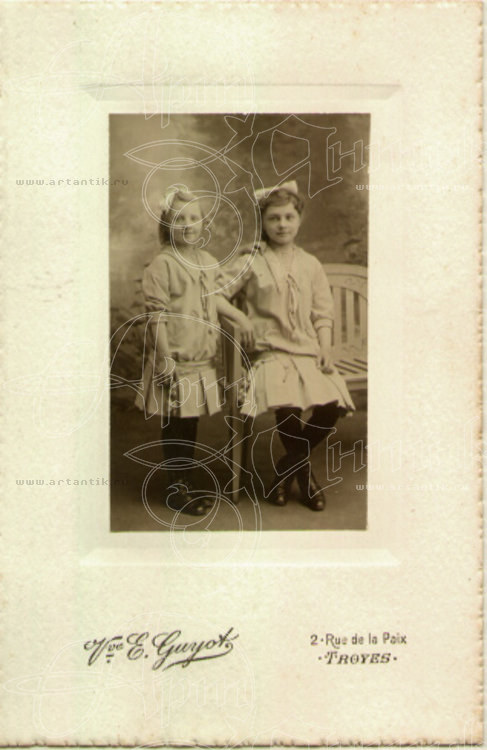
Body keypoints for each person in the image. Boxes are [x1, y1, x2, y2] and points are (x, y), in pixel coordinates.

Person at [222, 180, 355, 511]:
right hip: (269, 352)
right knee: (288, 403)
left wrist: (325, 347)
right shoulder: (251, 260)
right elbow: (215, 295)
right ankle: (305, 481)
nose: (282, 224)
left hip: (307, 350)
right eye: (274, 218)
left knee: (330, 406)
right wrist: (241, 320)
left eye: (288, 217)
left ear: (299, 219)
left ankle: (285, 471)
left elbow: (323, 313)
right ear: (263, 222)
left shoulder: (310, 264)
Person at [135, 186, 253, 516]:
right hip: (176, 359)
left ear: (203, 222)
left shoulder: (208, 262)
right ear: (167, 225)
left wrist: (240, 316)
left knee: (189, 422)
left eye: (194, 218)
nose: (188, 224)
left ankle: (183, 480)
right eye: (179, 219)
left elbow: (214, 299)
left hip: (201, 360)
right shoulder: (162, 265)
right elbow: (156, 315)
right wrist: (165, 358)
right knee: (176, 425)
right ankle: (177, 488)